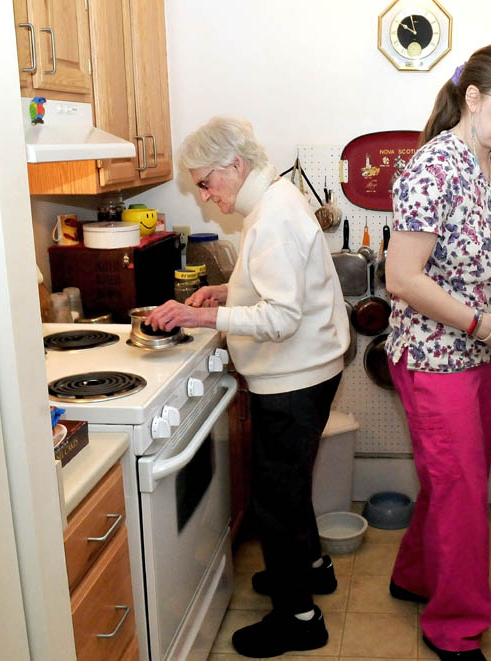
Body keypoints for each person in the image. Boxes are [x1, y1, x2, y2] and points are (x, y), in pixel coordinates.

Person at [146, 116, 349, 658]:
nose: (206, 197)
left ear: (235, 166)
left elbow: (280, 316)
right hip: (309, 370)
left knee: (275, 502)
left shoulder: (272, 218)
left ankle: (300, 618)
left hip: (293, 379)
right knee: (289, 487)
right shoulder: (272, 201)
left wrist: (202, 319)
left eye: (206, 183)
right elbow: (277, 284)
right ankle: (311, 570)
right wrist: (222, 291)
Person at [384, 43, 491, 661]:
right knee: (462, 492)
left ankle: (413, 576)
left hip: (481, 353)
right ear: (473, 98)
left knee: (451, 480)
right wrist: (483, 326)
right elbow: (403, 278)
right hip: (432, 358)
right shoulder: (432, 168)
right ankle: (455, 629)